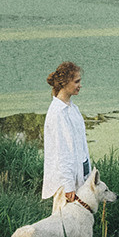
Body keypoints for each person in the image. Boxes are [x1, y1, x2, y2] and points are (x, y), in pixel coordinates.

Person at [40, 61, 93, 209]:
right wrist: (69, 186)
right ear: (65, 83)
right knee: (62, 228)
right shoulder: (57, 113)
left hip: (79, 179)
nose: (80, 85)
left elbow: (82, 148)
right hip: (66, 184)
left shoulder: (73, 109)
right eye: (76, 81)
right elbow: (62, 152)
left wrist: (87, 179)